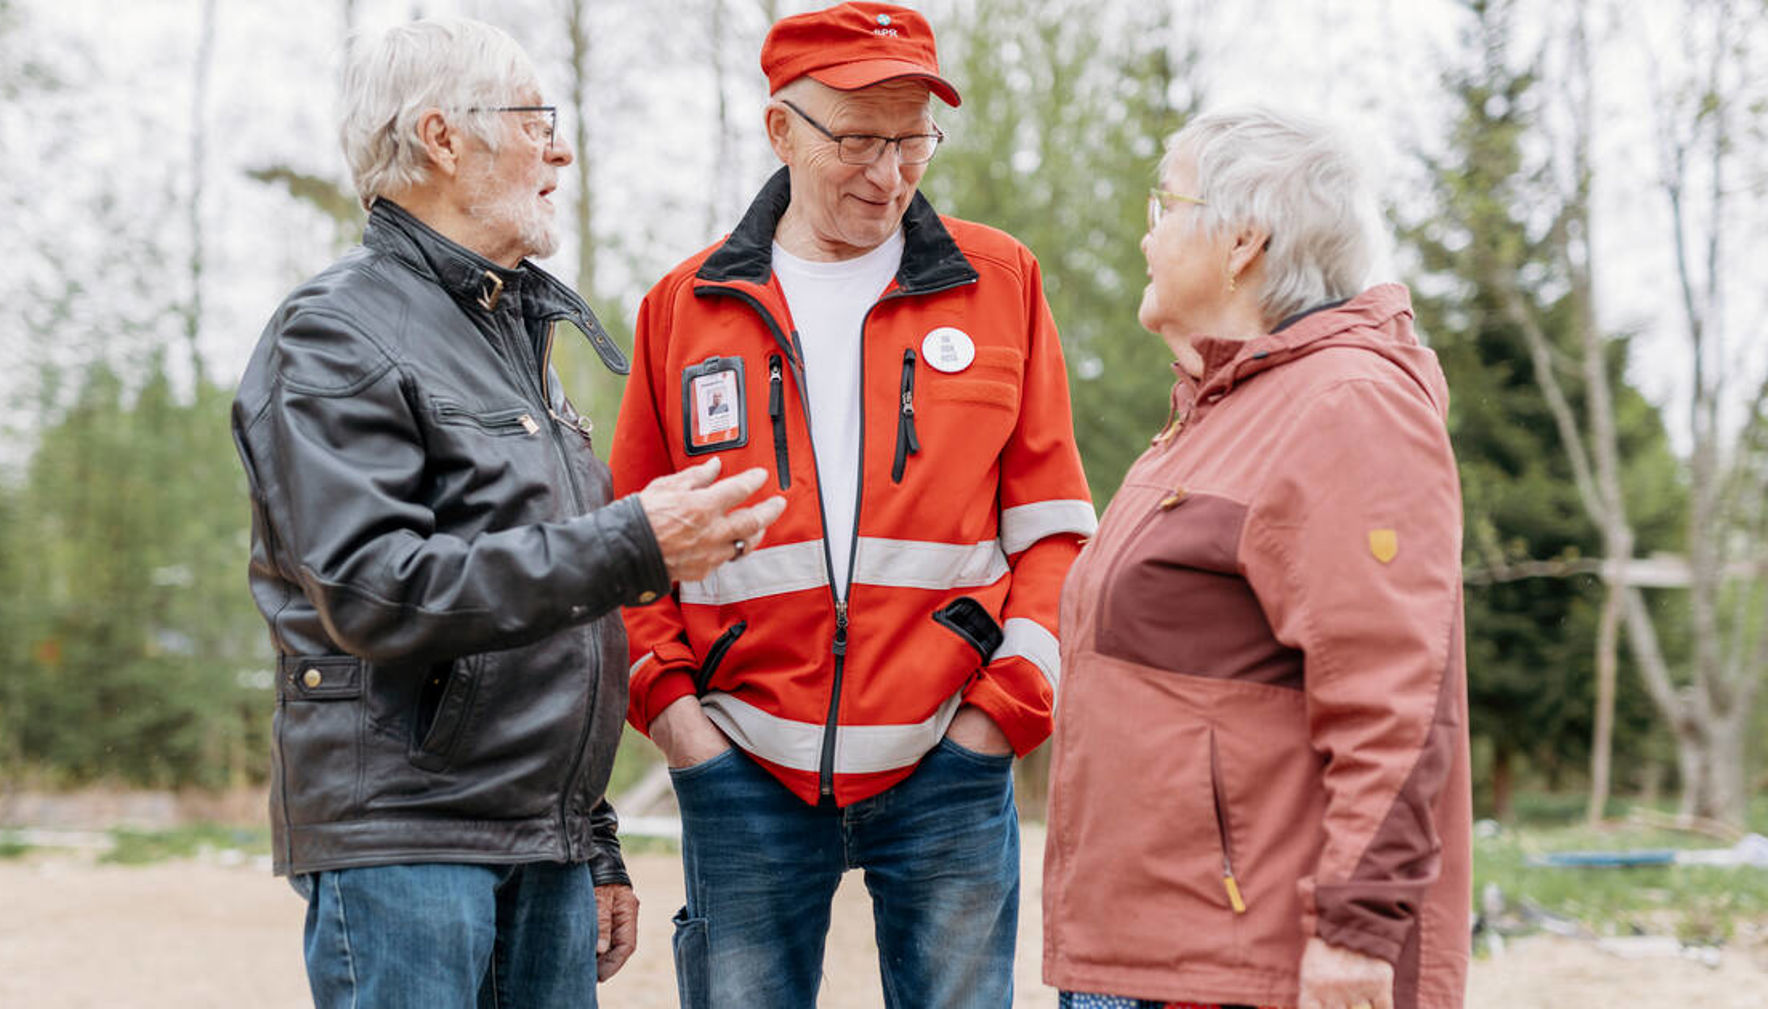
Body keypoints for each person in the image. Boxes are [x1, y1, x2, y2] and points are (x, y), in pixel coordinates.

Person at [229, 18, 783, 1009]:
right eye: (537, 121)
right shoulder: (332, 335)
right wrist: (636, 541)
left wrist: (593, 836)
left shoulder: (508, 339)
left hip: (541, 845)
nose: (560, 148)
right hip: (408, 842)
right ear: (444, 138)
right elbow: (375, 588)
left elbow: (555, 619)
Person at [608, 3, 1095, 1006]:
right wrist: (679, 723)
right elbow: (626, 547)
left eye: (914, 138)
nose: (890, 172)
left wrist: (1004, 711)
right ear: (781, 129)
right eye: (860, 138)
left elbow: (1054, 529)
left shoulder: (1001, 281)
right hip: (739, 764)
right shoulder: (681, 307)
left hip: (953, 764)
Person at [1043, 108, 1471, 1009]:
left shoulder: (1345, 406)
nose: (1149, 233)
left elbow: (1398, 700)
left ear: (1242, 238)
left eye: (1166, 204)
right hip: (1147, 951)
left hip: (1239, 966)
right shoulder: (1217, 412)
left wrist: (1356, 934)